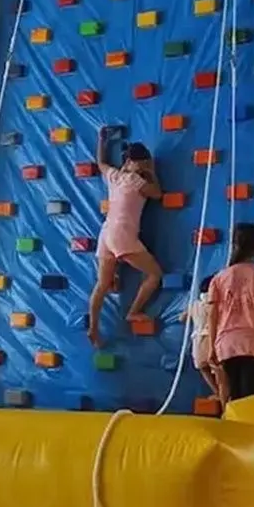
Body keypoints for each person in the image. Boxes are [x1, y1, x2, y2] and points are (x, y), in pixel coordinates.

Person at [88, 128, 163, 348]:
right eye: (142, 163)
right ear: (132, 162)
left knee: (102, 285)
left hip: (106, 233)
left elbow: (101, 163)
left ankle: (93, 328)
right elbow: (158, 194)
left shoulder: (115, 176)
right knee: (154, 275)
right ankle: (134, 311)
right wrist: (152, 172)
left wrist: (101, 140)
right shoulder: (135, 180)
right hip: (122, 234)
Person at [202, 224, 254, 401]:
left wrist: (211, 347)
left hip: (226, 344)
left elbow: (213, 316)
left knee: (233, 398)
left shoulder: (219, 278)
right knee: (250, 399)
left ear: (234, 245)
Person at [187, 274, 230, 407]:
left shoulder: (195, 304)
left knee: (203, 367)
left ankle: (216, 391)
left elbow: (183, 318)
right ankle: (225, 402)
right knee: (220, 373)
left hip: (197, 341)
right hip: (210, 339)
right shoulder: (215, 304)